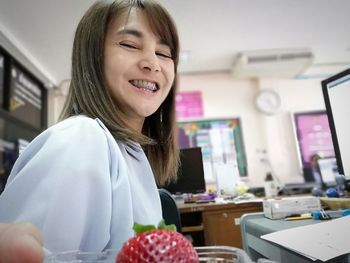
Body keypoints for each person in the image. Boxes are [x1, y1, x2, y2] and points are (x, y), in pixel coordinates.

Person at [0, 0, 180, 260]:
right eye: (129, 45)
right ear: (92, 57)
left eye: (164, 53)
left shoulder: (129, 152)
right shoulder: (81, 139)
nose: (153, 63)